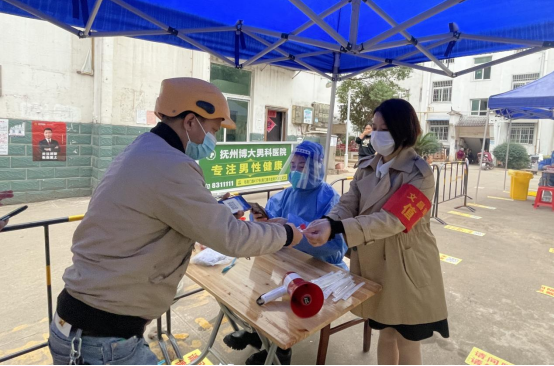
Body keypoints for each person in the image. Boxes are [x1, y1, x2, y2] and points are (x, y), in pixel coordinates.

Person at [48, 78, 303, 365]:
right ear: (191, 121)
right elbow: (232, 238)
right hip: (103, 341)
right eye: (213, 129)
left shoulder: (144, 149)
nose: (212, 138)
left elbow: (168, 211)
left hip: (87, 327)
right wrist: (285, 233)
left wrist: (215, 212)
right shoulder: (171, 165)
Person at [304, 99, 448, 365]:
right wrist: (328, 221)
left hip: (406, 264)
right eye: (375, 127)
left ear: (403, 131)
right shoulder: (368, 166)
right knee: (385, 331)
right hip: (374, 262)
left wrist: (337, 227)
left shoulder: (420, 174)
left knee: (407, 338)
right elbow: (349, 202)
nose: (377, 135)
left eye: (385, 129)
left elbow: (392, 220)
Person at [223, 141, 347, 365]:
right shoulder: (287, 195)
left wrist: (292, 227)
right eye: (294, 165)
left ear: (317, 168)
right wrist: (261, 220)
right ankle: (257, 331)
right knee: (260, 277)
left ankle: (281, 349)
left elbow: (335, 246)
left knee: (290, 294)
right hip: (287, 261)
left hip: (320, 266)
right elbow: (270, 222)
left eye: (302, 167)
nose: (296, 171)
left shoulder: (330, 199)